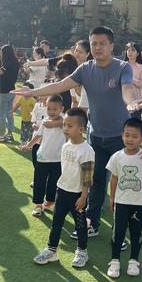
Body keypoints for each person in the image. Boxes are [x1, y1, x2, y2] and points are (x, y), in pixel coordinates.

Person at [13, 26, 136, 239]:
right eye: (94, 43)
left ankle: (121, 230)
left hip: (120, 138)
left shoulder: (123, 67)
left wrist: (132, 102)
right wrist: (32, 92)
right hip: (96, 136)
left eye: (102, 43)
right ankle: (93, 223)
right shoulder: (85, 69)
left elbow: (127, 90)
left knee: (123, 185)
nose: (98, 47)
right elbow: (61, 85)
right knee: (96, 182)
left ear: (111, 46)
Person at [33, 108, 95, 268]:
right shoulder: (66, 146)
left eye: (69, 126)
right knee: (56, 222)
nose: (65, 128)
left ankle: (82, 252)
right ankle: (51, 250)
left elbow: (87, 178)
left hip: (77, 195)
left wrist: (83, 197)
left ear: (81, 129)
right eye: (65, 125)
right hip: (62, 191)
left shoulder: (87, 151)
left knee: (80, 225)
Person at [106, 118, 142, 279]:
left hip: (139, 203)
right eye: (127, 135)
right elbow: (114, 178)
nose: (130, 139)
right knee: (118, 232)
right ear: (122, 135)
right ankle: (115, 261)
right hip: (121, 203)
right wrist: (112, 198)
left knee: (137, 233)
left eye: (135, 136)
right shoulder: (117, 156)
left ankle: (134, 261)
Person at [20, 95, 65, 217]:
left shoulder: (65, 121)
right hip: (42, 158)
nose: (51, 112)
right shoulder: (44, 122)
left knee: (53, 182)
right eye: (49, 109)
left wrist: (57, 123)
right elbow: (38, 136)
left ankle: (50, 201)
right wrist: (28, 145)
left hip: (58, 159)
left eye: (54, 109)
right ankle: (38, 204)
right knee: (39, 182)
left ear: (62, 109)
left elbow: (67, 123)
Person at [0, 44, 19, 142]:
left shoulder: (7, 63)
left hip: (4, 92)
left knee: (1, 114)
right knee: (9, 113)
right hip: (12, 89)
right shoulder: (15, 62)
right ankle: (10, 133)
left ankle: (2, 134)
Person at [124, 43, 142, 119]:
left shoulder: (141, 67)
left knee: (134, 123)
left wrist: (131, 78)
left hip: (135, 101)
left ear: (137, 53)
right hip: (122, 100)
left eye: (133, 50)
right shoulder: (122, 66)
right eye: (128, 50)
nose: (130, 52)